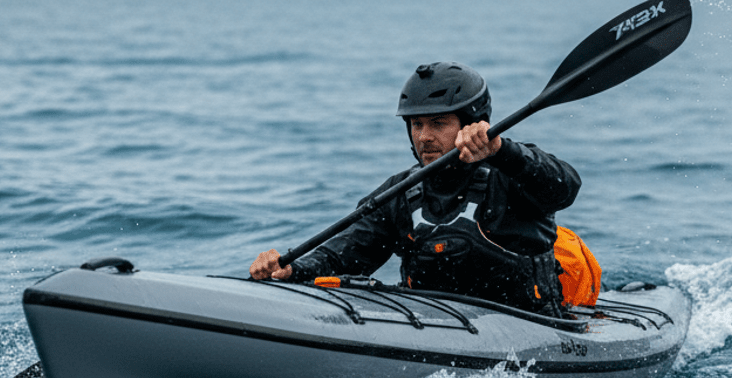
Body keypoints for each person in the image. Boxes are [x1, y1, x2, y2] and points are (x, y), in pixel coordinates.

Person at [249, 62, 581, 314]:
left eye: (438, 124)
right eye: (416, 124)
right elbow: (345, 254)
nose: (423, 136)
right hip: (436, 327)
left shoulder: (510, 172)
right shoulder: (402, 193)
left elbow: (565, 188)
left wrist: (502, 151)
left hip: (530, 328)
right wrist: (293, 268)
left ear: (470, 123)